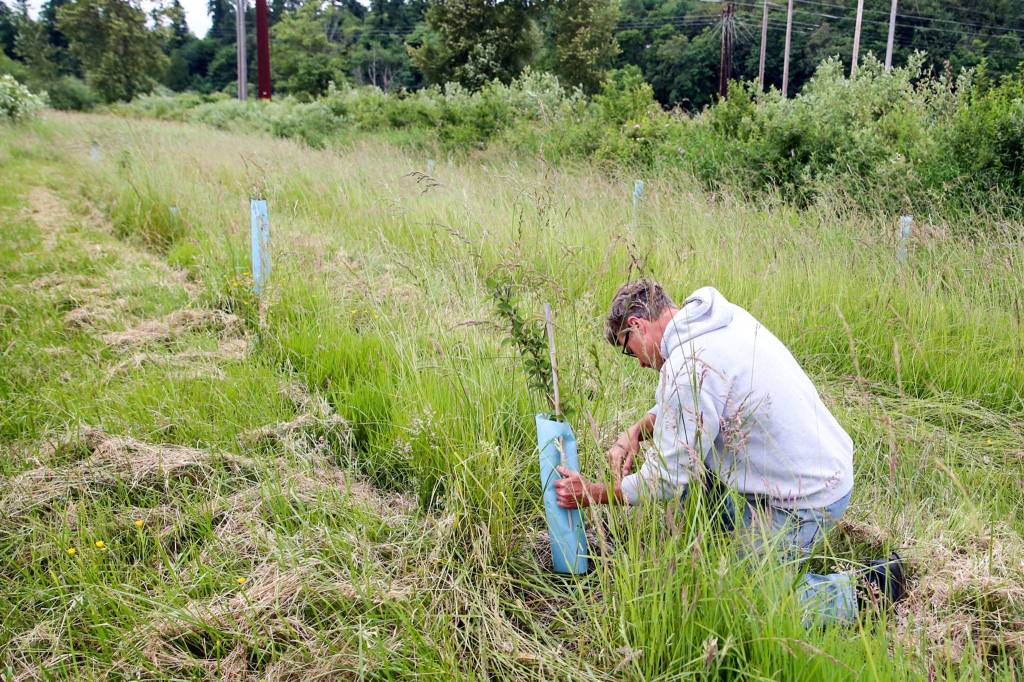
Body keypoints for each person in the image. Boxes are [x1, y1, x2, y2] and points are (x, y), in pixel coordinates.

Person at [553, 280, 905, 624]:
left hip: (807, 496)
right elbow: (694, 401)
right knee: (700, 469)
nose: (641, 364)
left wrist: (595, 494)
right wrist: (636, 431)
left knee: (748, 597)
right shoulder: (718, 319)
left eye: (631, 351)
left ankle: (869, 590)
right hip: (822, 461)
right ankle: (730, 540)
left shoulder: (687, 365)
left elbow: (665, 480)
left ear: (637, 325)